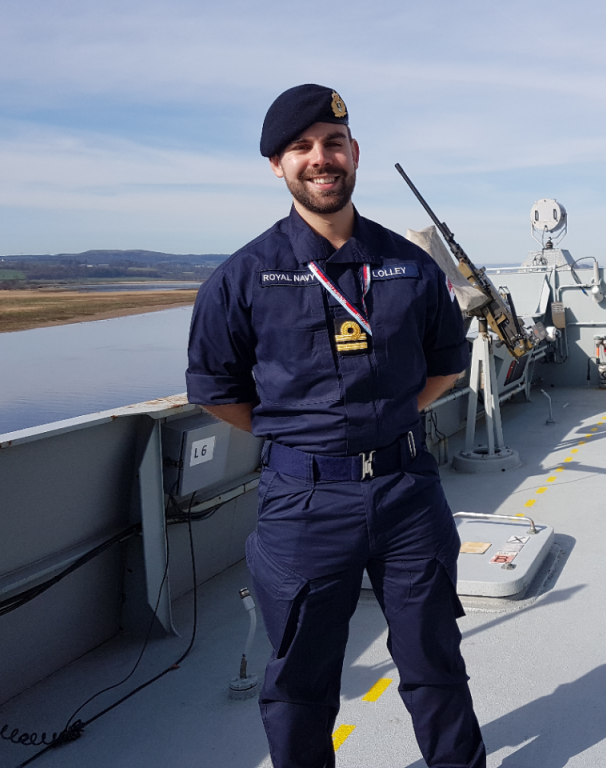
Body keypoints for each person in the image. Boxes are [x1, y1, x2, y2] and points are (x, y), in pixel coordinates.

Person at [185, 84, 486, 768]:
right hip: (305, 502)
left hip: (408, 490)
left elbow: (446, 362)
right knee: (301, 683)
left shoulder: (410, 266)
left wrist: (394, 419)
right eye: (301, 148)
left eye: (333, 144)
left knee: (435, 661)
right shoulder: (242, 278)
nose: (320, 159)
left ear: (355, 154)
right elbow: (214, 389)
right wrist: (297, 433)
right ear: (278, 165)